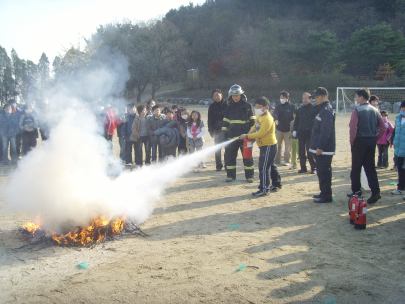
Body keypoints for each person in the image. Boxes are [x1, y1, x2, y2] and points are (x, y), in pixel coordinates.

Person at [348, 87, 386, 204]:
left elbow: (353, 128)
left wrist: (352, 141)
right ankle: (376, 192)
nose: (356, 99)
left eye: (357, 96)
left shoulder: (357, 110)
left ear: (362, 97)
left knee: (356, 168)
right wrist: (375, 138)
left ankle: (356, 191)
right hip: (370, 141)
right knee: (370, 168)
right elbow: (383, 127)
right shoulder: (375, 110)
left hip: (359, 141)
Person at [240, 96, 281, 196]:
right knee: (271, 164)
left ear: (266, 107)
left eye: (259, 107)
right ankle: (276, 184)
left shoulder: (267, 119)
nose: (257, 109)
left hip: (268, 146)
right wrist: (251, 130)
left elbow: (261, 133)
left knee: (263, 167)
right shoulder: (260, 116)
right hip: (264, 146)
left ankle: (264, 189)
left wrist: (247, 135)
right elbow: (255, 126)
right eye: (256, 106)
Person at [222, 84, 255, 182]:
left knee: (247, 157)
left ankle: (250, 176)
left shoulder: (248, 106)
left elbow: (253, 123)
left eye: (237, 95)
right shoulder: (229, 108)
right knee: (230, 157)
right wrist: (224, 135)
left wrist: (252, 136)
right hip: (231, 137)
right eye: (233, 96)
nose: (235, 98)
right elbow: (225, 123)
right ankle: (230, 176)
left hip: (245, 137)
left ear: (241, 95)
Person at [309, 87, 336, 203]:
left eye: (317, 97)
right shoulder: (321, 109)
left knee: (324, 172)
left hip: (324, 149)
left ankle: (326, 196)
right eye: (314, 97)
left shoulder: (326, 111)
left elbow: (326, 131)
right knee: (321, 171)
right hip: (320, 148)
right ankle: (323, 192)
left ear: (324, 97)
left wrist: (320, 147)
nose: (315, 99)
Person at [293, 92, 316, 174]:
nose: (304, 100)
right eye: (303, 99)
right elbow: (296, 121)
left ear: (310, 99)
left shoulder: (314, 109)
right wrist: (294, 130)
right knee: (301, 152)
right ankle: (303, 167)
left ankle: (313, 167)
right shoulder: (300, 109)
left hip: (310, 134)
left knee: (310, 152)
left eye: (306, 98)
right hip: (301, 133)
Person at [273, 91, 296, 166]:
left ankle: (287, 160)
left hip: (288, 130)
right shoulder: (278, 106)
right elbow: (275, 113)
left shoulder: (292, 107)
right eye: (280, 98)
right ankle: (277, 159)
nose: (281, 99)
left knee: (288, 146)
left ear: (287, 98)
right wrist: (275, 119)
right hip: (279, 129)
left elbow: (295, 117)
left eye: (283, 98)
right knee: (277, 145)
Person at [208, 89, 227, 171]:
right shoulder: (212, 106)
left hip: (227, 131)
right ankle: (218, 166)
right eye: (214, 96)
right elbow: (210, 120)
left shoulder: (228, 104)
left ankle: (227, 165)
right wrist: (211, 130)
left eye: (217, 95)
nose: (216, 97)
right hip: (217, 131)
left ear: (221, 95)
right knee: (218, 149)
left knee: (228, 149)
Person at [391, 100, 405, 197]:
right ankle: (400, 187)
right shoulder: (398, 117)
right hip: (399, 149)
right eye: (402, 107)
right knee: (400, 169)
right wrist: (392, 140)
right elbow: (395, 131)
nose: (403, 109)